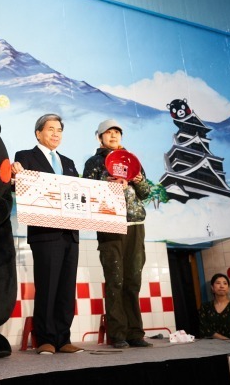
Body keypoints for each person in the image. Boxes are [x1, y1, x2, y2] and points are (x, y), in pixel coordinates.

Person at [11, 114, 83, 355]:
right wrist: (15, 176)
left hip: (70, 233)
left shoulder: (69, 162)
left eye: (59, 130)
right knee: (48, 286)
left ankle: (64, 338)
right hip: (45, 232)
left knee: (66, 288)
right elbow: (19, 186)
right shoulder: (24, 157)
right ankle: (45, 338)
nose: (55, 134)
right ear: (38, 133)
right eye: (50, 129)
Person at [82, 119, 152, 349]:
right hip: (109, 224)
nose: (113, 136)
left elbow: (146, 193)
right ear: (99, 137)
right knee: (115, 280)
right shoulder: (94, 162)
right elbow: (87, 192)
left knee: (133, 280)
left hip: (135, 223)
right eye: (108, 133)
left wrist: (138, 180)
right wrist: (109, 184)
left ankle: (135, 333)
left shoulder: (132, 160)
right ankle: (118, 333)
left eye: (117, 132)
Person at [198, 273, 230, 340]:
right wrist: (226, 340)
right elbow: (205, 329)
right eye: (218, 283)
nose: (222, 286)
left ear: (228, 288)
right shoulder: (205, 307)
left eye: (225, 283)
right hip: (211, 346)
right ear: (212, 287)